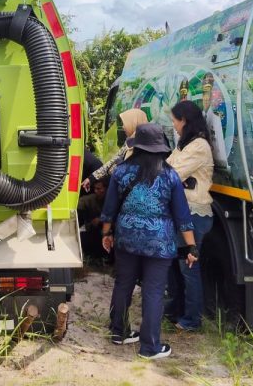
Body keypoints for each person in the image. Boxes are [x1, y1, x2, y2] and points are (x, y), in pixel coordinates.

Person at [100, 123, 198, 360]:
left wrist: (106, 234)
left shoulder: (121, 172)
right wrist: (191, 247)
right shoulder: (170, 176)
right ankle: (149, 347)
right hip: (159, 242)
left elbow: (109, 209)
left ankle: (119, 332)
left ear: (137, 147)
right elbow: (183, 217)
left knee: (123, 284)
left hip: (127, 238)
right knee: (153, 291)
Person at [165, 100, 214, 331]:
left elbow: (172, 173)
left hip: (194, 215)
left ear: (184, 120)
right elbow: (166, 167)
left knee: (189, 267)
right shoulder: (185, 145)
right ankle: (177, 310)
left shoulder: (199, 146)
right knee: (177, 267)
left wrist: (177, 179)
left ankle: (192, 319)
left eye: (175, 121)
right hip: (183, 213)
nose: (173, 125)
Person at [82, 108, 148, 192]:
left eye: (125, 124)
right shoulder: (129, 142)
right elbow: (114, 160)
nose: (123, 127)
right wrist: (92, 177)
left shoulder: (142, 147)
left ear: (134, 123)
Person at [78, 176, 110, 259]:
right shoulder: (90, 199)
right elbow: (81, 203)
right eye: (95, 188)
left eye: (99, 189)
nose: (96, 191)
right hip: (92, 231)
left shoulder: (111, 201)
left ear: (106, 189)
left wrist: (101, 220)